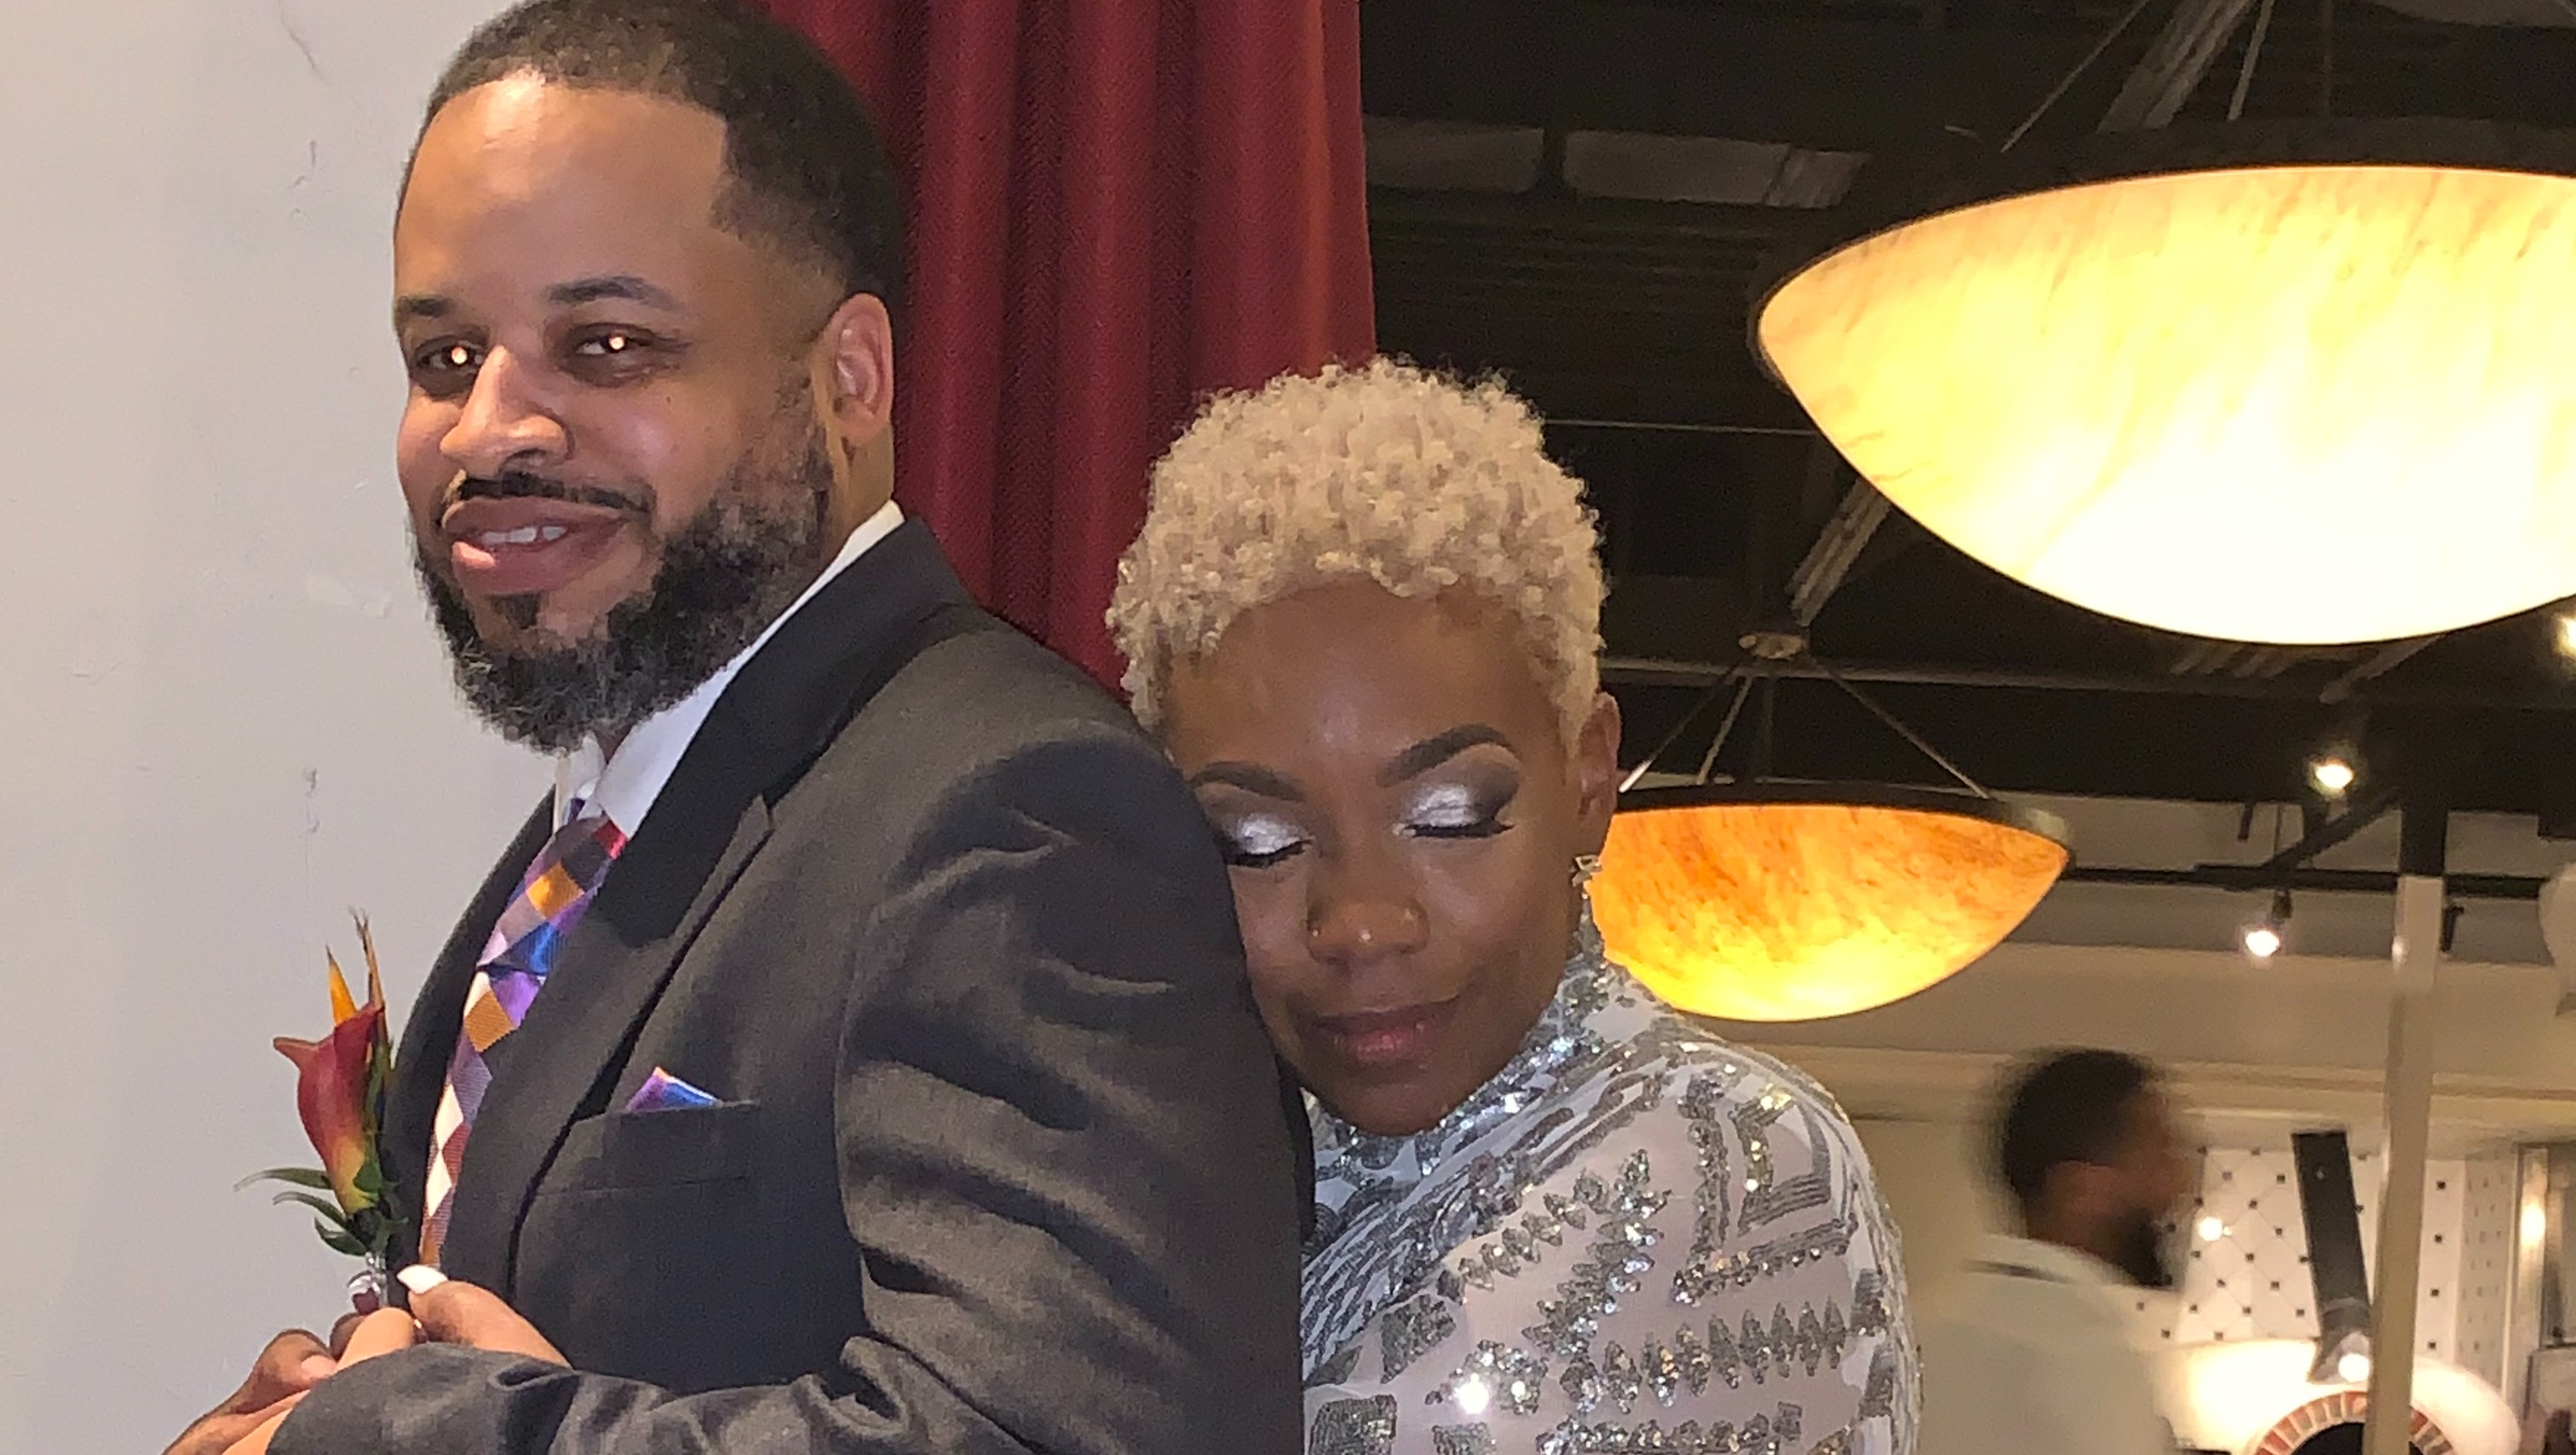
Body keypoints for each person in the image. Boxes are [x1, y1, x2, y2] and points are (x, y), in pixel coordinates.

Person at [164, 3, 1304, 1453]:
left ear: (849, 380)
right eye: (444, 356)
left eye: (607, 344)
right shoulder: (615, 818)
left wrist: (407, 1432)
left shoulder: (1019, 814)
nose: (488, 430)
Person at [1107, 359, 1918, 1455]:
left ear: (1588, 778)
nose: (1358, 920)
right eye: (1258, 842)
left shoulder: (1736, 1163)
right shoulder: (1174, 1154)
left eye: (1447, 817)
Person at [1917, 1049, 2195, 1455]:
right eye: (2160, 1158)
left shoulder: (1918, 1327)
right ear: (2079, 1189)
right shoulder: (2084, 1352)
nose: (2181, 1187)